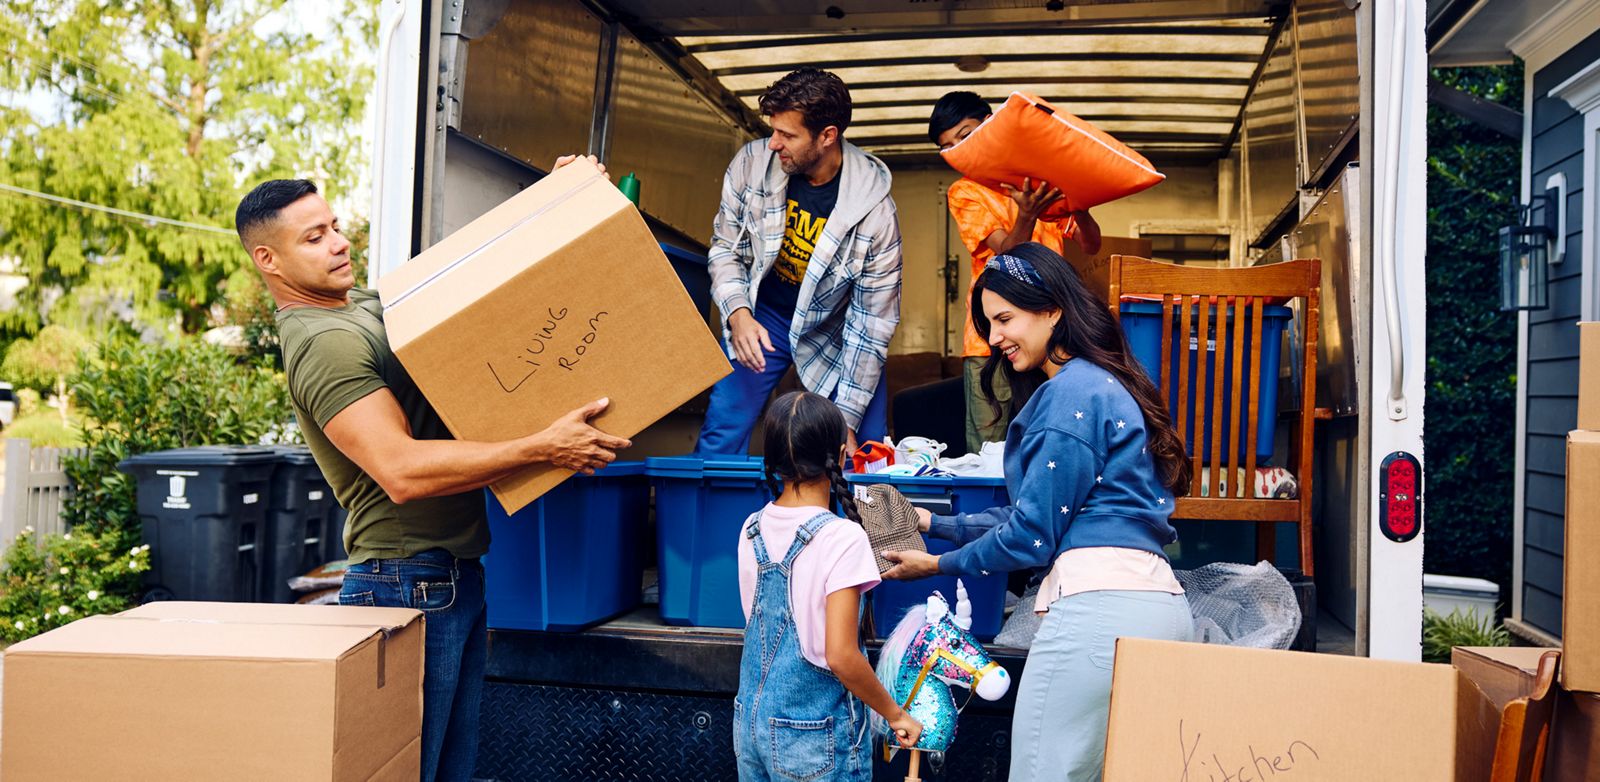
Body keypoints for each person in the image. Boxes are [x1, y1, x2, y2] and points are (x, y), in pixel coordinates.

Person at [235, 158, 630, 782]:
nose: (339, 243)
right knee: (413, 770)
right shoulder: (323, 342)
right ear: (269, 260)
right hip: (404, 578)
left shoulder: (360, 306)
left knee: (448, 770)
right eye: (314, 237)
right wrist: (543, 447)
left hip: (446, 573)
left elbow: (465, 285)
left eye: (334, 226)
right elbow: (400, 470)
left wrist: (553, 203)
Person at [879, 242, 1193, 781]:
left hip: (1098, 618)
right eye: (988, 324)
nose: (994, 337)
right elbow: (1039, 518)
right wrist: (934, 524)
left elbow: (1030, 536)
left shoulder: (1069, 396)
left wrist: (935, 564)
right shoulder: (1102, 384)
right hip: (1157, 610)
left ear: (1053, 311)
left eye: (1005, 319)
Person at [698, 67, 902, 457]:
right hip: (765, 317)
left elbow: (872, 323)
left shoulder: (876, 214)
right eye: (773, 130)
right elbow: (726, 248)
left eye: (788, 135)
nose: (773, 144)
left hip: (839, 328)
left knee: (863, 448)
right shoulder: (751, 163)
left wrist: (847, 417)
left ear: (827, 136)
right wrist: (737, 313)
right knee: (722, 430)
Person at [734, 391, 921, 780]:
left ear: (772, 459)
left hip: (750, 725)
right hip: (813, 734)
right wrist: (895, 714)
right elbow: (841, 656)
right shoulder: (842, 537)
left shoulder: (751, 528)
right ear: (840, 455)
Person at [928, 91, 1103, 454]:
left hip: (1049, 335)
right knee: (988, 447)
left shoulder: (1039, 182)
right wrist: (1027, 214)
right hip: (990, 341)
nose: (959, 150)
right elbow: (1008, 255)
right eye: (948, 148)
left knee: (1048, 437)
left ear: (991, 125)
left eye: (965, 136)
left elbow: (1091, 244)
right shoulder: (965, 192)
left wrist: (1082, 206)